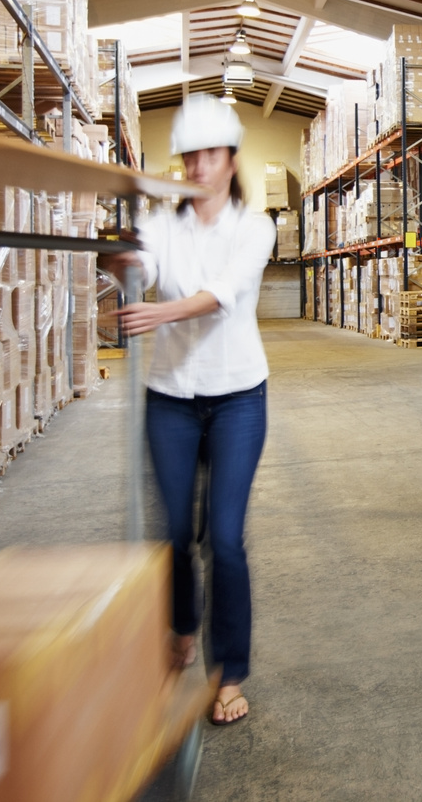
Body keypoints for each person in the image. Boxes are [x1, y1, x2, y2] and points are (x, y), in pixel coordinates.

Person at [103, 93, 277, 727]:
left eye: (210, 155)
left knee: (224, 540)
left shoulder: (255, 227)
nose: (199, 166)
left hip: (237, 399)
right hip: (171, 400)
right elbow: (138, 267)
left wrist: (159, 312)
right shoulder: (161, 225)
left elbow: (223, 295)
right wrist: (118, 257)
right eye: (190, 156)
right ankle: (182, 622)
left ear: (231, 160)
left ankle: (229, 672)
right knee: (175, 534)